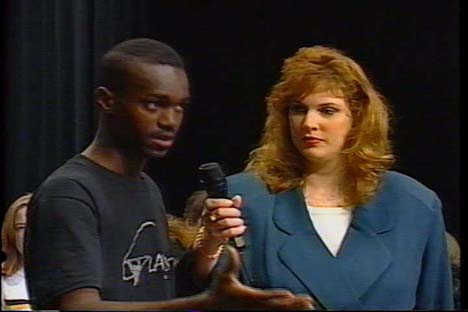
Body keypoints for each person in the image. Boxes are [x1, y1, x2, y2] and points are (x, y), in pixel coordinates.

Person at [23, 38, 314, 310]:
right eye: (154, 104)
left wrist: (208, 247)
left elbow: (155, 283)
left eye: (180, 107)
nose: (169, 121)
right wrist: (205, 305)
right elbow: (78, 307)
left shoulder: (146, 187)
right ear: (106, 101)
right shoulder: (69, 193)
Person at [197, 45, 454, 310]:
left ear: (358, 118)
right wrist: (209, 245)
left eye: (327, 110)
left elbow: (436, 302)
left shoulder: (414, 205)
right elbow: (196, 296)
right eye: (298, 109)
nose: (309, 123)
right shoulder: (245, 198)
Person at [2, 193, 33, 310]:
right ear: (11, 234)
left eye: (36, 225)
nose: (29, 234)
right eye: (21, 227)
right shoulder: (4, 280)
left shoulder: (74, 278)